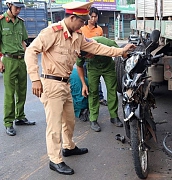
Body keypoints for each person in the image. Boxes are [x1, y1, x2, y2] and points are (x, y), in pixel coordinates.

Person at [24, 1, 135, 175]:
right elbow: (31, 51)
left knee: (69, 120)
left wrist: (120, 51)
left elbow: (97, 47)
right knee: (54, 125)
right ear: (73, 18)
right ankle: (55, 159)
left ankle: (68, 147)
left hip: (65, 83)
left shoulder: (77, 36)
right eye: (82, 21)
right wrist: (34, 79)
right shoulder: (52, 32)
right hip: (51, 84)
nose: (84, 24)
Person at [0, 0, 35, 136]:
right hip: (8, 60)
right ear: (9, 5)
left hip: (21, 60)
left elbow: (23, 42)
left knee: (22, 90)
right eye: (16, 7)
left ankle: (20, 116)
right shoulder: (1, 21)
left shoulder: (20, 22)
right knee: (10, 93)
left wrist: (28, 58)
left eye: (20, 8)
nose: (19, 10)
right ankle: (8, 122)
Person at [76, 36, 123, 132]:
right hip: (93, 70)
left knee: (112, 91)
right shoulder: (80, 51)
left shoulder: (104, 42)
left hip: (108, 68)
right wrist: (84, 84)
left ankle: (114, 116)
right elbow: (79, 66)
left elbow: (119, 51)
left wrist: (124, 54)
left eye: (89, 54)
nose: (89, 57)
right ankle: (93, 119)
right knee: (93, 93)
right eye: (86, 57)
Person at [81, 7, 108, 106]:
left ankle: (100, 98)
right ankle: (88, 98)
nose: (93, 19)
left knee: (97, 79)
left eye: (95, 17)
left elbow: (102, 45)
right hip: (84, 59)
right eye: (91, 17)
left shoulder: (99, 30)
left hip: (96, 58)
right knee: (85, 79)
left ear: (97, 17)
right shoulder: (82, 29)